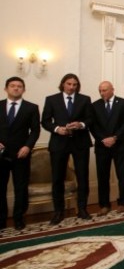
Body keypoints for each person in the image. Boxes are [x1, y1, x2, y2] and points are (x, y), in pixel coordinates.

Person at [41, 73, 93, 225]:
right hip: (59, 142)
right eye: (69, 84)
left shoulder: (85, 99)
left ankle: (82, 209)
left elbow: (90, 119)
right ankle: (58, 211)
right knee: (57, 178)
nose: (72, 87)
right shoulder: (51, 99)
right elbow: (45, 121)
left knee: (83, 177)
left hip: (80, 142)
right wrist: (57, 129)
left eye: (75, 84)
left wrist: (80, 125)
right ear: (63, 84)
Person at [0, 77, 40, 230]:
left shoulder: (31, 108)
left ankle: (18, 218)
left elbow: (35, 130)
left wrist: (28, 146)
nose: (16, 88)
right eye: (13, 86)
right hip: (1, 155)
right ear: (6, 89)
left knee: (20, 188)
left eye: (19, 86)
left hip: (21, 153)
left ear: (24, 89)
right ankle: (1, 219)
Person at [90, 81, 124, 215]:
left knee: (122, 175)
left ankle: (122, 203)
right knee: (102, 176)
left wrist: (114, 138)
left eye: (105, 90)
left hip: (120, 145)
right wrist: (103, 139)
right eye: (100, 90)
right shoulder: (95, 105)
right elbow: (93, 126)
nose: (102, 93)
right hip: (102, 146)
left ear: (112, 89)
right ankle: (104, 205)